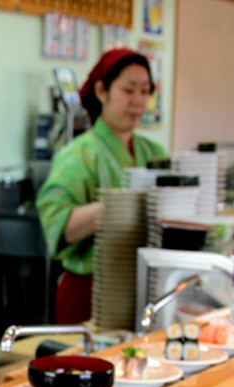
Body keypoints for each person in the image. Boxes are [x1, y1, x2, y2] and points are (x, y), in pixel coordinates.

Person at [36, 48, 167, 324]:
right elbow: (59, 225)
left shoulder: (154, 153)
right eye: (129, 90)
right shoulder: (78, 154)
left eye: (145, 91)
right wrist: (118, 207)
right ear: (101, 90)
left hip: (145, 288)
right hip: (89, 291)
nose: (138, 101)